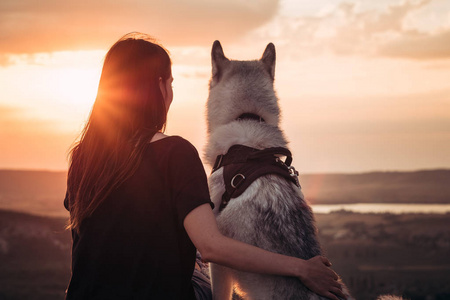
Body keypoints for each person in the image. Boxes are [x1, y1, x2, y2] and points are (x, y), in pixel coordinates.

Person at [63, 32, 345, 300]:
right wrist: (302, 268)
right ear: (158, 85)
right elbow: (211, 247)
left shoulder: (83, 158)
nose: (171, 93)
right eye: (170, 83)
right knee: (202, 268)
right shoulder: (174, 152)